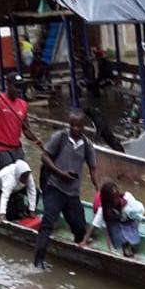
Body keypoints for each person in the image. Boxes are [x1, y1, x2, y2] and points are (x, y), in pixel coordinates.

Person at [33, 111, 100, 267]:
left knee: (79, 228)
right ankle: (37, 263)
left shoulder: (87, 145)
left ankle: (81, 258)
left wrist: (98, 190)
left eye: (79, 126)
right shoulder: (60, 137)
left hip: (72, 193)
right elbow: (45, 156)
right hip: (54, 188)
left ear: (84, 127)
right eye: (72, 125)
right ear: (69, 125)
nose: (75, 129)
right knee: (47, 225)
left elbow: (93, 168)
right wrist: (60, 173)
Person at [0, 73, 45, 172]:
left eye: (20, 87)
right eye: (16, 86)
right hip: (1, 150)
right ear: (8, 84)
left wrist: (37, 141)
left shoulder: (23, 104)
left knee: (23, 176)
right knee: (10, 178)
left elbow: (26, 131)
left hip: (17, 150)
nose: (18, 90)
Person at [81, 181, 144, 257]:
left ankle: (132, 245)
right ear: (108, 200)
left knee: (131, 236)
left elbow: (139, 213)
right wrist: (84, 241)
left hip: (129, 220)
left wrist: (126, 212)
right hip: (115, 225)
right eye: (113, 198)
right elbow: (94, 224)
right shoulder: (104, 209)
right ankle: (126, 248)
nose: (116, 200)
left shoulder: (127, 197)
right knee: (122, 235)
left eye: (117, 197)